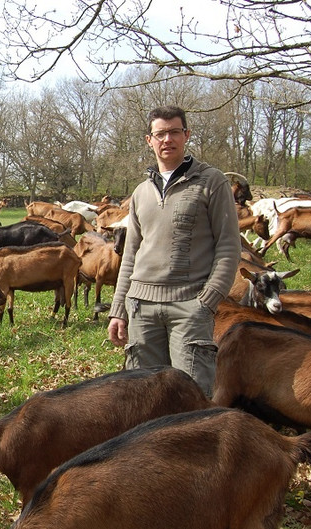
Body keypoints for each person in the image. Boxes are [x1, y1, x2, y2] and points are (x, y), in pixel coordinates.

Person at [107, 106, 240, 396]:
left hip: (189, 306)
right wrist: (118, 310)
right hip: (141, 307)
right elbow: (130, 255)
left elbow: (229, 246)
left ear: (186, 135)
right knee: (144, 397)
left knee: (189, 399)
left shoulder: (211, 181)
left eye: (174, 132)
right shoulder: (141, 192)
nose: (167, 139)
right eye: (160, 134)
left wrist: (206, 301)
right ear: (149, 140)